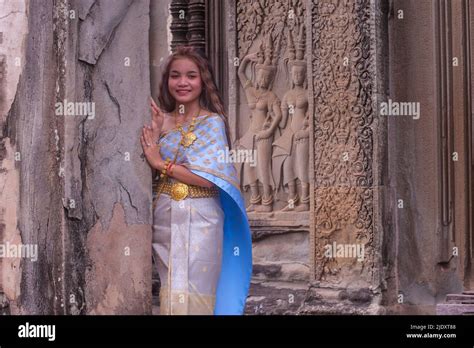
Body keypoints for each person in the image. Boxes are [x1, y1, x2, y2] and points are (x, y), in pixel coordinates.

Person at [140, 46, 252, 315]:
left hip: (203, 217)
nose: (182, 82)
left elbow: (209, 179)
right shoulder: (160, 121)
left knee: (197, 288)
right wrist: (154, 137)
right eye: (175, 75)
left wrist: (161, 163)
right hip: (166, 216)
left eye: (191, 76)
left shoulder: (212, 123)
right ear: (167, 80)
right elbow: (145, 168)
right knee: (170, 289)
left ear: (203, 81)